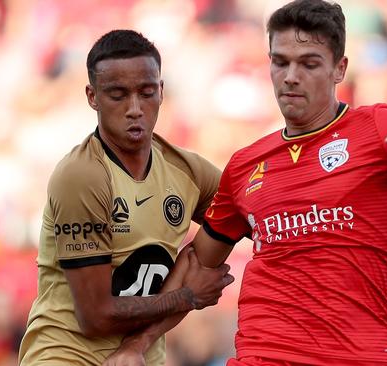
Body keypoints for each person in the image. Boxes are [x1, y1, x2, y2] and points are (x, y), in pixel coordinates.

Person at [106, 1, 387, 365]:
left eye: (308, 63)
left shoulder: (379, 129)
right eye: (280, 61)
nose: (290, 76)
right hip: (263, 354)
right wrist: (138, 344)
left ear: (339, 68)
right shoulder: (245, 165)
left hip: (363, 356)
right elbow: (199, 263)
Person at [18, 30, 234, 366]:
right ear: (92, 96)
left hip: (141, 358)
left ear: (161, 92)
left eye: (146, 93)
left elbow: (253, 217)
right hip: (66, 355)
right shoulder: (82, 176)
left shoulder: (187, 172)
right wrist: (187, 296)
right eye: (118, 95)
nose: (135, 108)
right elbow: (95, 315)